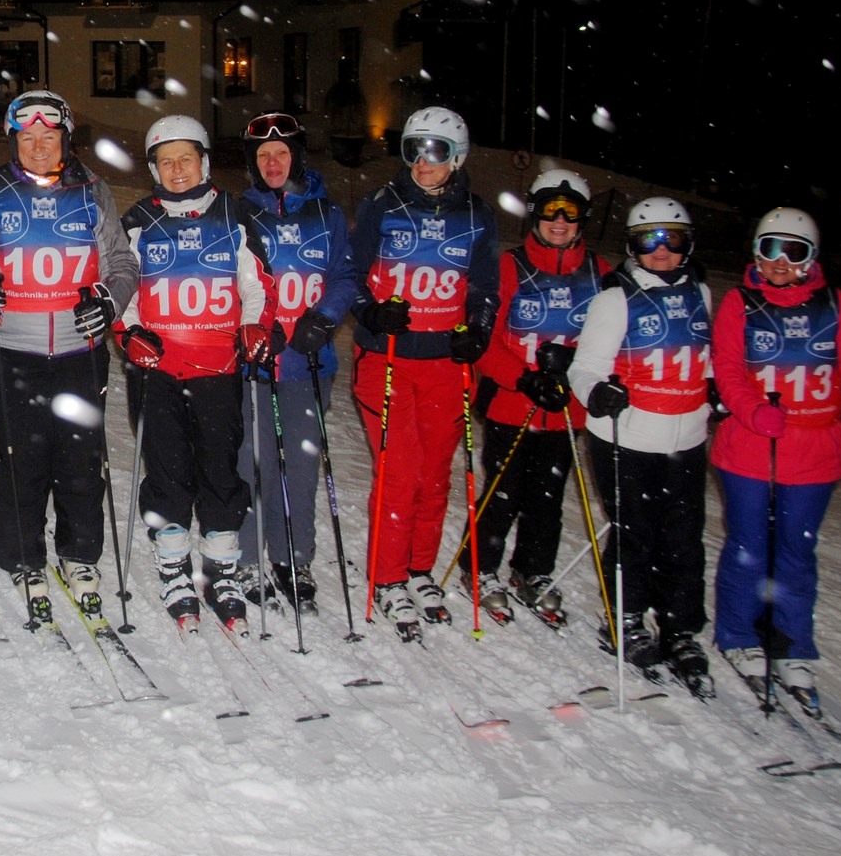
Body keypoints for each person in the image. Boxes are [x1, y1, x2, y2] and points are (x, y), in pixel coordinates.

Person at [0, 90, 138, 621]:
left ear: (64, 140)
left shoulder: (93, 191)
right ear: (14, 142)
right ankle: (23, 553)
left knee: (79, 459)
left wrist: (110, 301)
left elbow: (122, 262)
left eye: (47, 138)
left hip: (80, 351)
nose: (36, 147)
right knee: (22, 458)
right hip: (11, 350)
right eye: (26, 138)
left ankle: (79, 554)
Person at [709, 207, 841, 710]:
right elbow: (727, 368)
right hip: (750, 448)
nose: (780, 262)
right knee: (748, 546)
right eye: (770, 250)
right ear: (756, 254)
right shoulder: (740, 304)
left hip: (814, 452)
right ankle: (739, 634)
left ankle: (791, 644)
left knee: (795, 553)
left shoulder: (836, 307)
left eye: (794, 251)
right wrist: (751, 410)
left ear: (811, 259)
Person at [344, 106, 499, 637]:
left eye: (433, 153)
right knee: (401, 471)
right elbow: (350, 273)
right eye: (412, 151)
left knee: (435, 476)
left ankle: (417, 568)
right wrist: (370, 310)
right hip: (386, 361)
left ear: (456, 157)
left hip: (444, 366)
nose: (422, 164)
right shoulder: (382, 206)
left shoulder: (476, 215)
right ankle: (387, 579)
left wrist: (476, 330)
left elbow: (484, 289)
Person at [117, 115, 269, 629]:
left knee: (220, 470)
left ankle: (221, 569)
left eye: (186, 158)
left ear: (203, 161)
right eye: (166, 161)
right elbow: (120, 290)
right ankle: (174, 564)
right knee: (166, 470)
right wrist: (131, 332)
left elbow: (258, 286)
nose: (177, 169)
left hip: (217, 368)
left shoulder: (236, 216)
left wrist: (255, 327)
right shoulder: (138, 220)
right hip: (159, 370)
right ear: (154, 169)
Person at [567, 196, 716, 691]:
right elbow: (584, 366)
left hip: (687, 436)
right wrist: (597, 391)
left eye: (670, 239)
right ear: (631, 247)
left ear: (686, 244)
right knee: (634, 533)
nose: (659, 250)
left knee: (683, 537)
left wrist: (716, 390)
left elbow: (706, 359)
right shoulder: (616, 299)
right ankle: (625, 618)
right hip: (627, 436)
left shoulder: (702, 294)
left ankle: (679, 628)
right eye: (646, 240)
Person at [470, 169, 609, 626]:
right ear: (535, 213)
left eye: (570, 213)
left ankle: (533, 570)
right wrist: (523, 377)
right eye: (550, 209)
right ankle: (483, 567)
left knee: (548, 496)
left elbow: (613, 343)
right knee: (504, 490)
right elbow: (485, 342)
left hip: (566, 409)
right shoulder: (510, 267)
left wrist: (578, 372)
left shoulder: (601, 274)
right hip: (515, 402)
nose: (560, 220)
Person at [236, 111, 356, 617]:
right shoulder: (240, 215)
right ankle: (245, 557)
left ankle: (294, 558)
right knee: (251, 462)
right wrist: (250, 327)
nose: (273, 162)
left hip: (307, 364)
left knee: (300, 467)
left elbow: (347, 277)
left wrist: (323, 319)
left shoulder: (326, 216)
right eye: (263, 155)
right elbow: (226, 285)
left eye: (282, 153)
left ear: (297, 157)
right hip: (255, 363)